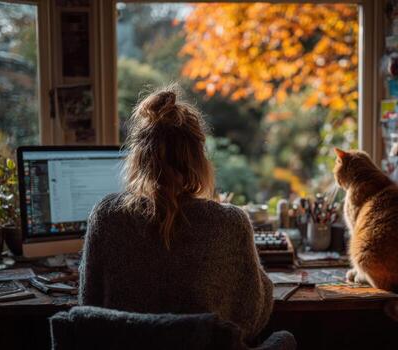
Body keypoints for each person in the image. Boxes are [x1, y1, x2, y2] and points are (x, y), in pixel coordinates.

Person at [79, 85, 273, 341]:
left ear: (137, 157)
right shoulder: (230, 222)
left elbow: (88, 308)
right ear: (199, 159)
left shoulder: (106, 217)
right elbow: (251, 318)